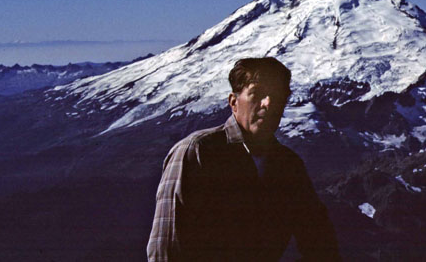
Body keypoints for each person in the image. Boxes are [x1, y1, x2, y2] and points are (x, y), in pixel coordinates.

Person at [146, 57, 340, 261]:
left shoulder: (288, 166)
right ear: (233, 102)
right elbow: (165, 249)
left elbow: (320, 244)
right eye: (257, 94)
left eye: (277, 95)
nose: (268, 103)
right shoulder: (197, 152)